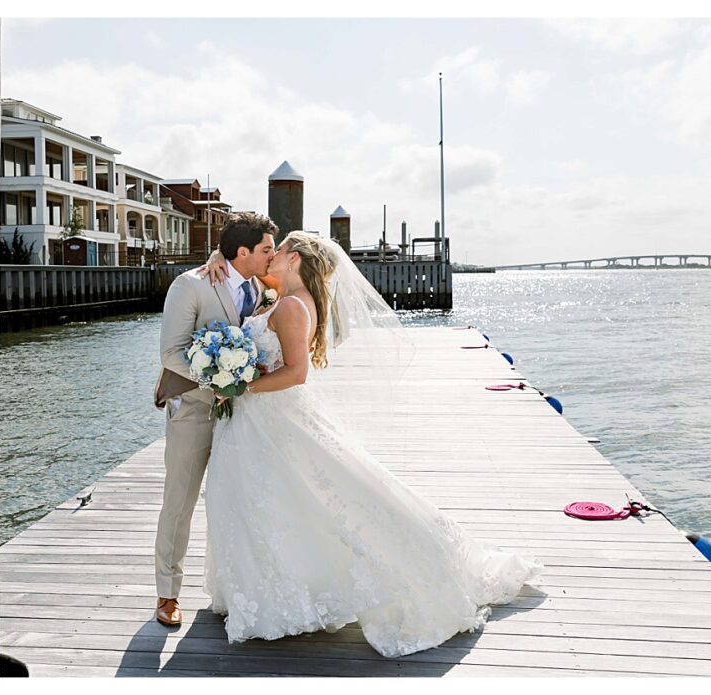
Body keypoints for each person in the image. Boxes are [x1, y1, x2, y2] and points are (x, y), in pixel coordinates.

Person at [197, 231, 541, 657]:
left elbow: (297, 373)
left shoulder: (290, 305)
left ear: (295, 259)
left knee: (301, 497)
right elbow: (244, 270)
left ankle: (288, 595)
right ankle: (266, 590)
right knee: (275, 500)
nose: (272, 255)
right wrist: (217, 255)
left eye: (278, 249)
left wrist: (239, 387)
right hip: (261, 419)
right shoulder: (287, 296)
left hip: (271, 415)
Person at [152, 212, 276, 626]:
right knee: (180, 502)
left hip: (245, 416)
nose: (272, 256)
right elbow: (171, 353)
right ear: (243, 251)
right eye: (266, 249)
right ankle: (167, 594)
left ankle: (243, 587)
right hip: (193, 409)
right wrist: (220, 377)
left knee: (241, 501)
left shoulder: (263, 286)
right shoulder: (191, 285)